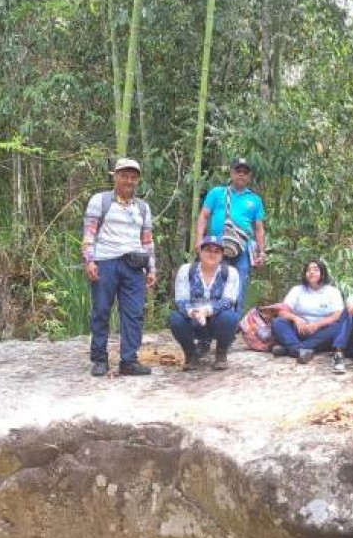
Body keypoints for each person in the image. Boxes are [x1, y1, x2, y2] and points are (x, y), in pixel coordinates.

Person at [82, 158, 157, 377]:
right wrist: (90, 260)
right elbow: (89, 233)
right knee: (101, 311)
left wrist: (152, 268)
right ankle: (99, 359)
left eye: (133, 177)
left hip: (134, 265)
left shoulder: (142, 207)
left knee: (134, 313)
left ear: (138, 180)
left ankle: (129, 360)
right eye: (124, 176)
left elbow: (147, 240)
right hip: (105, 262)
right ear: (115, 176)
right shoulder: (100, 201)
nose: (129, 180)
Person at [194, 157, 266, 314]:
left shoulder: (255, 200)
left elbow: (259, 229)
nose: (241, 175)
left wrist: (261, 252)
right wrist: (199, 239)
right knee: (214, 282)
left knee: (239, 285)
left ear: (249, 176)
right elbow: (204, 216)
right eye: (238, 171)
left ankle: (232, 324)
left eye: (245, 172)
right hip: (216, 246)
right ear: (232, 173)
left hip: (243, 250)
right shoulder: (217, 193)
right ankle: (211, 320)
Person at [169, 236, 241, 371]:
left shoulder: (230, 273)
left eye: (216, 251)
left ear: (221, 255)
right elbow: (181, 301)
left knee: (230, 317)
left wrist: (206, 311)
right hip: (193, 319)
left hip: (217, 320)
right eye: (208, 250)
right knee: (175, 318)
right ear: (200, 252)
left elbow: (228, 301)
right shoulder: (186, 270)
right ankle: (191, 355)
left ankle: (221, 354)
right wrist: (193, 312)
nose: (212, 254)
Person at [271, 259, 345, 363]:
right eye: (308, 270)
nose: (311, 272)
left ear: (322, 273)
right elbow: (282, 311)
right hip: (299, 330)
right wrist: (296, 319)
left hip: (320, 332)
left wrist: (317, 325)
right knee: (278, 322)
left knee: (339, 328)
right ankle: (300, 350)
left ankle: (291, 349)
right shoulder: (297, 290)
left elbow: (337, 315)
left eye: (315, 269)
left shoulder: (332, 291)